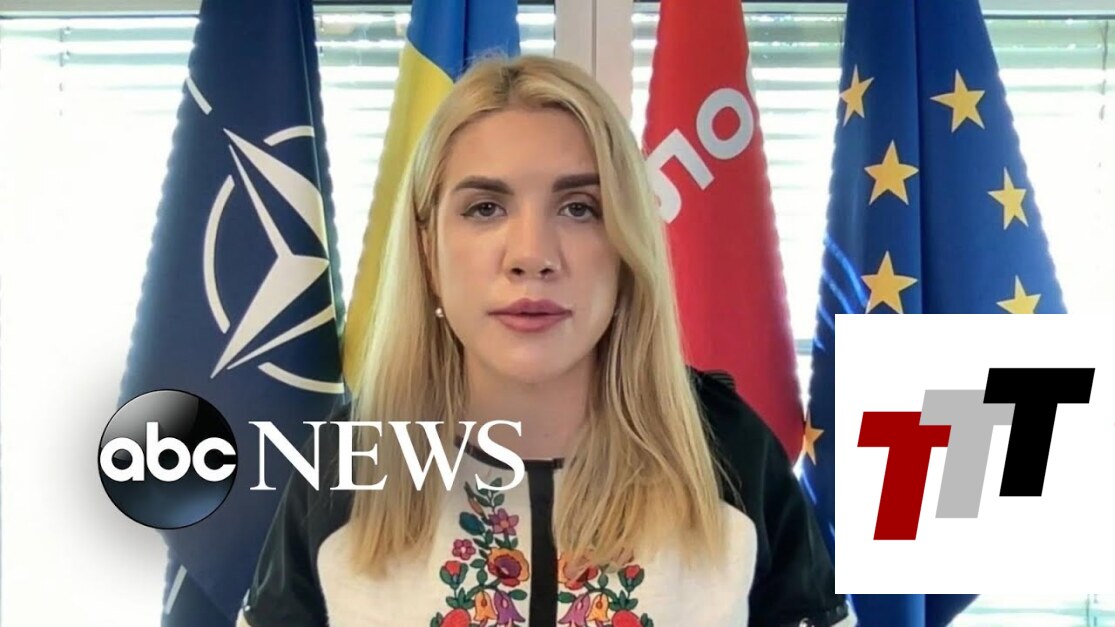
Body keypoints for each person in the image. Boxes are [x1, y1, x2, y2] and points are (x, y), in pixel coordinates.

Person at [237, 54, 850, 627]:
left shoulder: (727, 452)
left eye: (580, 208)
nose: (532, 255)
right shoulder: (346, 465)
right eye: (484, 208)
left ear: (627, 245)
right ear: (427, 248)